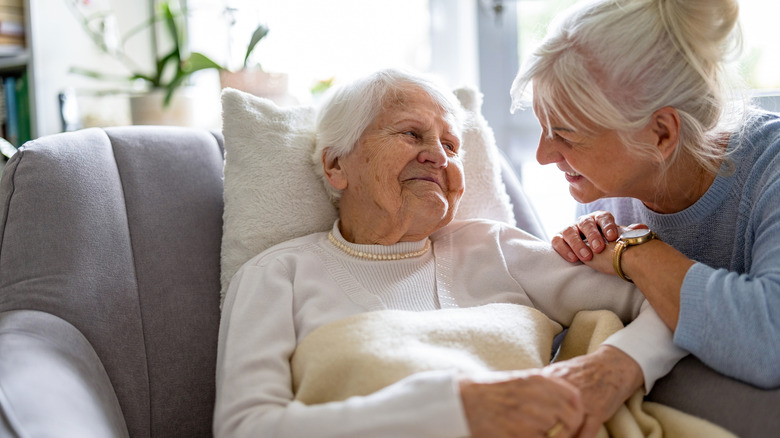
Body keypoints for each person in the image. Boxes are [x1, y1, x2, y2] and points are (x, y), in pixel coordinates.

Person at [214, 68, 684, 438]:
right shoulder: (277, 274)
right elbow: (245, 428)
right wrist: (451, 411)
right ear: (336, 165)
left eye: (450, 144)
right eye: (411, 134)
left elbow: (672, 305)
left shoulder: (493, 246)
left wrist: (617, 369)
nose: (438, 156)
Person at [511, 0, 780, 389]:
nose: (542, 156)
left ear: (661, 134)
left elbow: (768, 340)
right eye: (542, 127)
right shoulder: (603, 187)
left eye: (566, 136)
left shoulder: (769, 168)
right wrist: (581, 261)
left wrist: (635, 251)